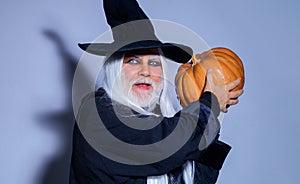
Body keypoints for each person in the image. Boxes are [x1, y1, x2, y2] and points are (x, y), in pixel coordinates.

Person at [70, 0, 243, 183]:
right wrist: (208, 105)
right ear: (115, 69)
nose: (146, 71)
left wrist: (201, 107)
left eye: (154, 63)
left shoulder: (158, 123)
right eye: (133, 61)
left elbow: (197, 176)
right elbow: (167, 145)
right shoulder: (97, 115)